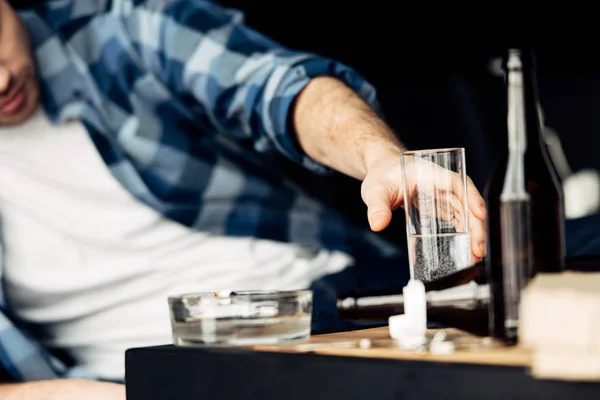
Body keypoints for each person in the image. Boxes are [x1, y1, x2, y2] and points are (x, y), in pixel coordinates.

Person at [0, 0, 487, 397]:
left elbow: (278, 86)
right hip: (124, 380)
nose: (0, 81)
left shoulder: (118, 29)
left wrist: (380, 158)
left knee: (541, 265)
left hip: (313, 304)